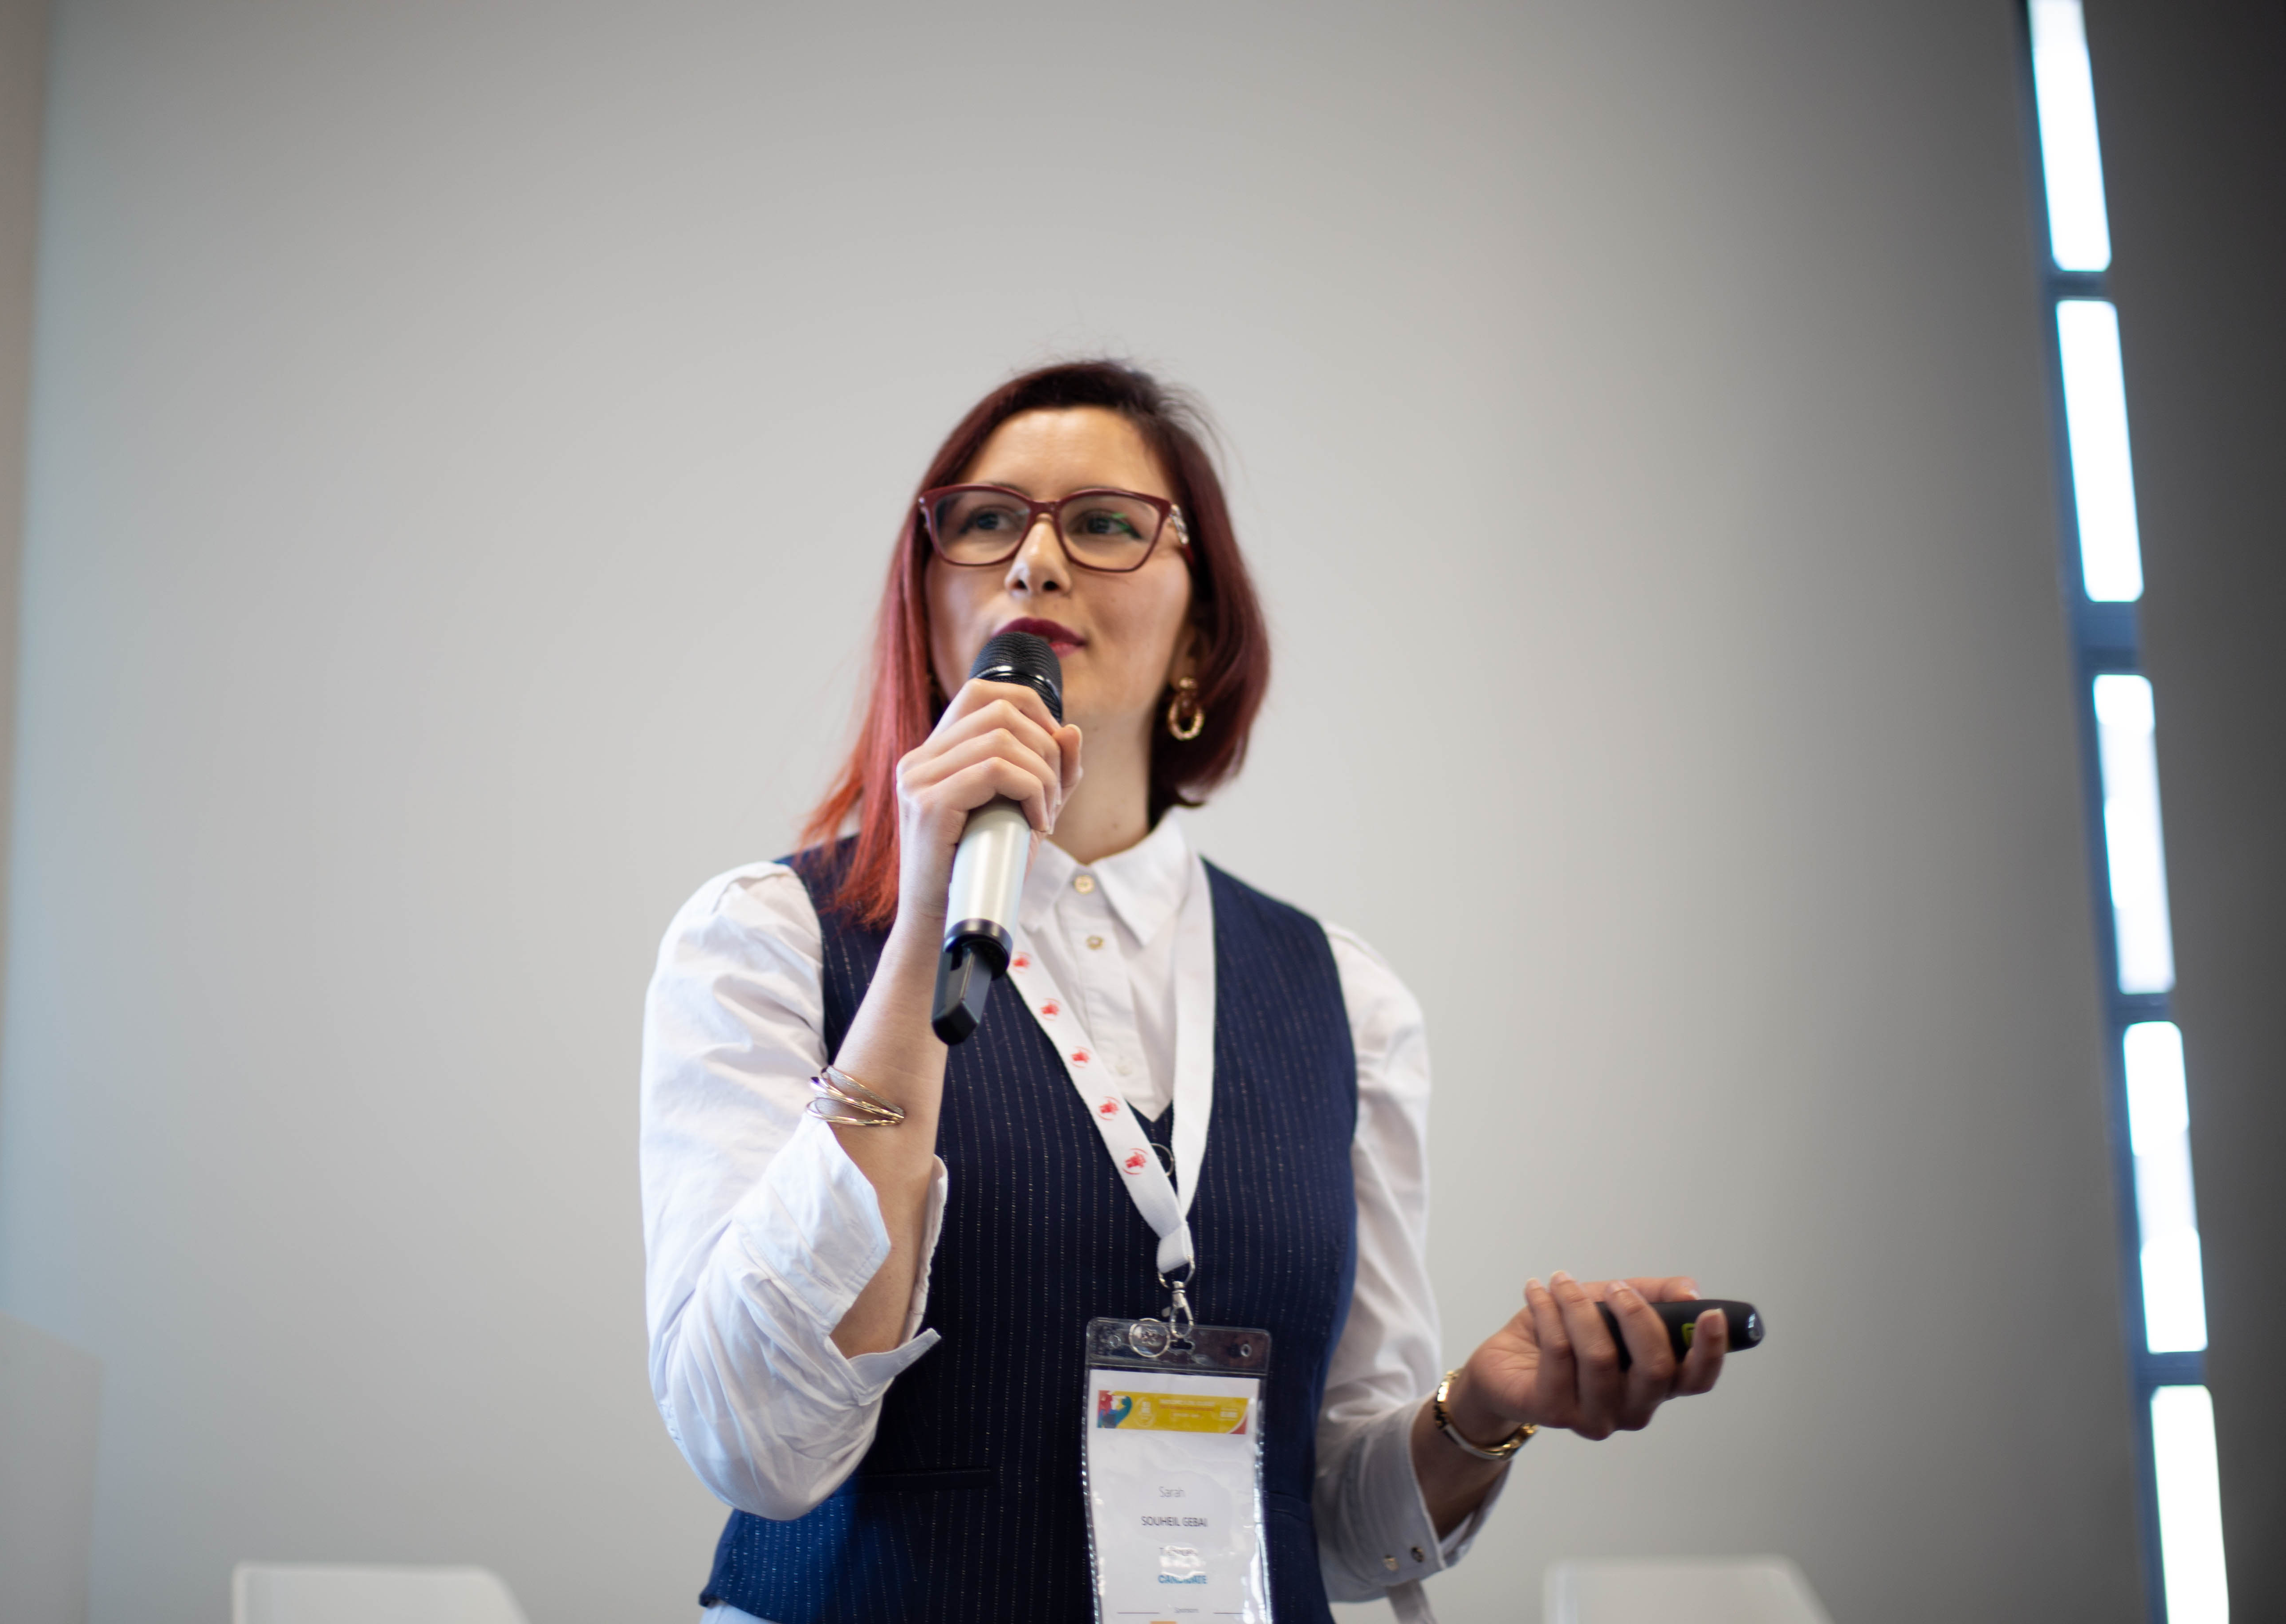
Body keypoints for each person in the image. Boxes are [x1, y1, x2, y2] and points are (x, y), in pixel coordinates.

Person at [640, 361, 1729, 1623]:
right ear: (928, 609)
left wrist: (1480, 1413)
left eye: (1104, 524)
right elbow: (757, 1449)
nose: (1034, 563)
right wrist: (928, 906)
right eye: (985, 521)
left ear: (1200, 636)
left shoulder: (1347, 1000)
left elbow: (1332, 1533)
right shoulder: (766, 938)